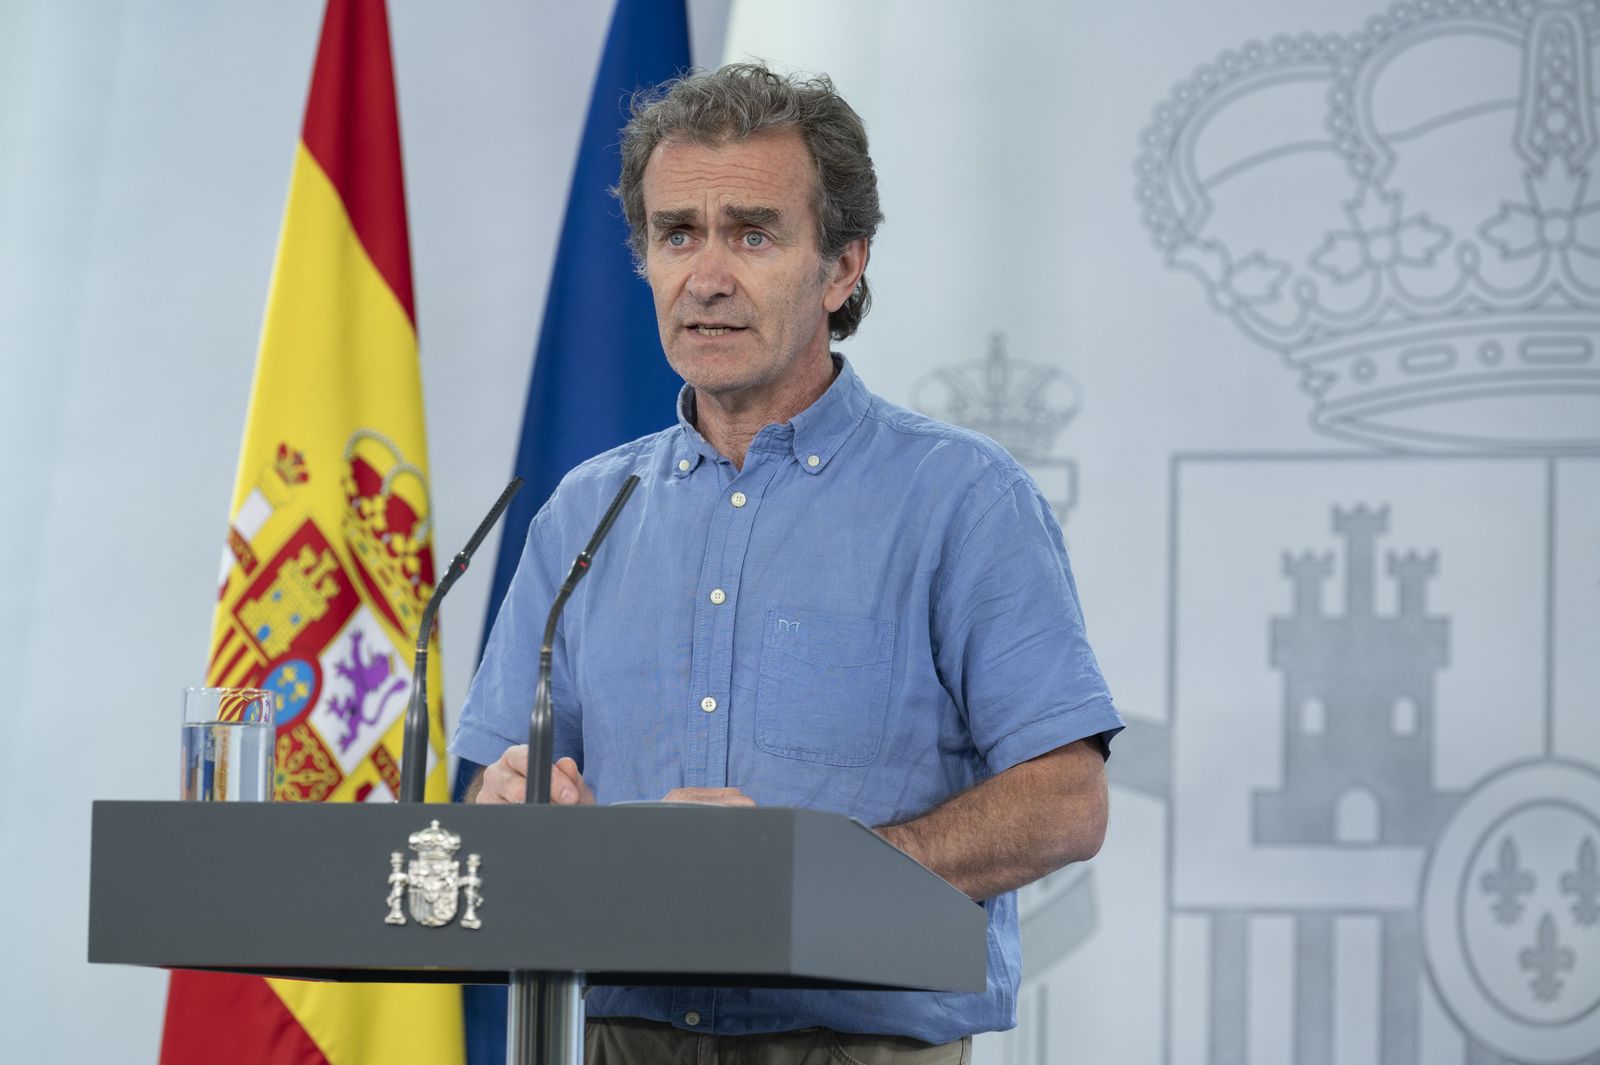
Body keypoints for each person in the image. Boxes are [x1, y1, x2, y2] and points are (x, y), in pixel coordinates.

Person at [450, 62, 1123, 1064]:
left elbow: (1067, 801)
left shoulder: (960, 499)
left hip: (854, 1041)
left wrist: (812, 876)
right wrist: (511, 809)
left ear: (842, 267)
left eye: (752, 234)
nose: (706, 276)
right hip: (618, 1035)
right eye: (677, 234)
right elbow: (492, 797)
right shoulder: (585, 511)